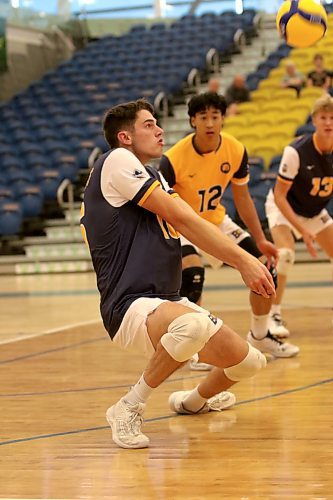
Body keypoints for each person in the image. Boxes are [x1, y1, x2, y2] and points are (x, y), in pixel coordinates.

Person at [80, 98, 273, 449]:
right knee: (192, 325)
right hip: (130, 304)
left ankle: (192, 402)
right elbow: (184, 218)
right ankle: (128, 407)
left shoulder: (151, 175)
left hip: (168, 300)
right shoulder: (117, 161)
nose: (159, 129)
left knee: (249, 362)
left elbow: (193, 223)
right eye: (149, 124)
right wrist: (244, 261)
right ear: (124, 137)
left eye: (157, 123)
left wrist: (244, 255)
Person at [159, 92, 300, 366]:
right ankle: (192, 350)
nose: (210, 122)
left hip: (215, 221)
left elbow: (243, 197)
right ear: (192, 121)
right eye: (203, 117)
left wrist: (260, 239)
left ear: (223, 119)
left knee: (263, 269)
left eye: (215, 116)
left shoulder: (235, 149)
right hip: (183, 224)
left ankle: (260, 335)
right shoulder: (173, 159)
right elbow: (163, 205)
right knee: (193, 275)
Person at [265, 93, 333, 337]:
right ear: (314, 120)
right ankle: (272, 315)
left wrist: (310, 226)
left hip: (314, 210)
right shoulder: (296, 152)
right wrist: (302, 230)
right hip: (285, 207)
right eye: (323, 117)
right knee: (285, 255)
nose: (328, 123)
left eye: (332, 118)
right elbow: (280, 196)